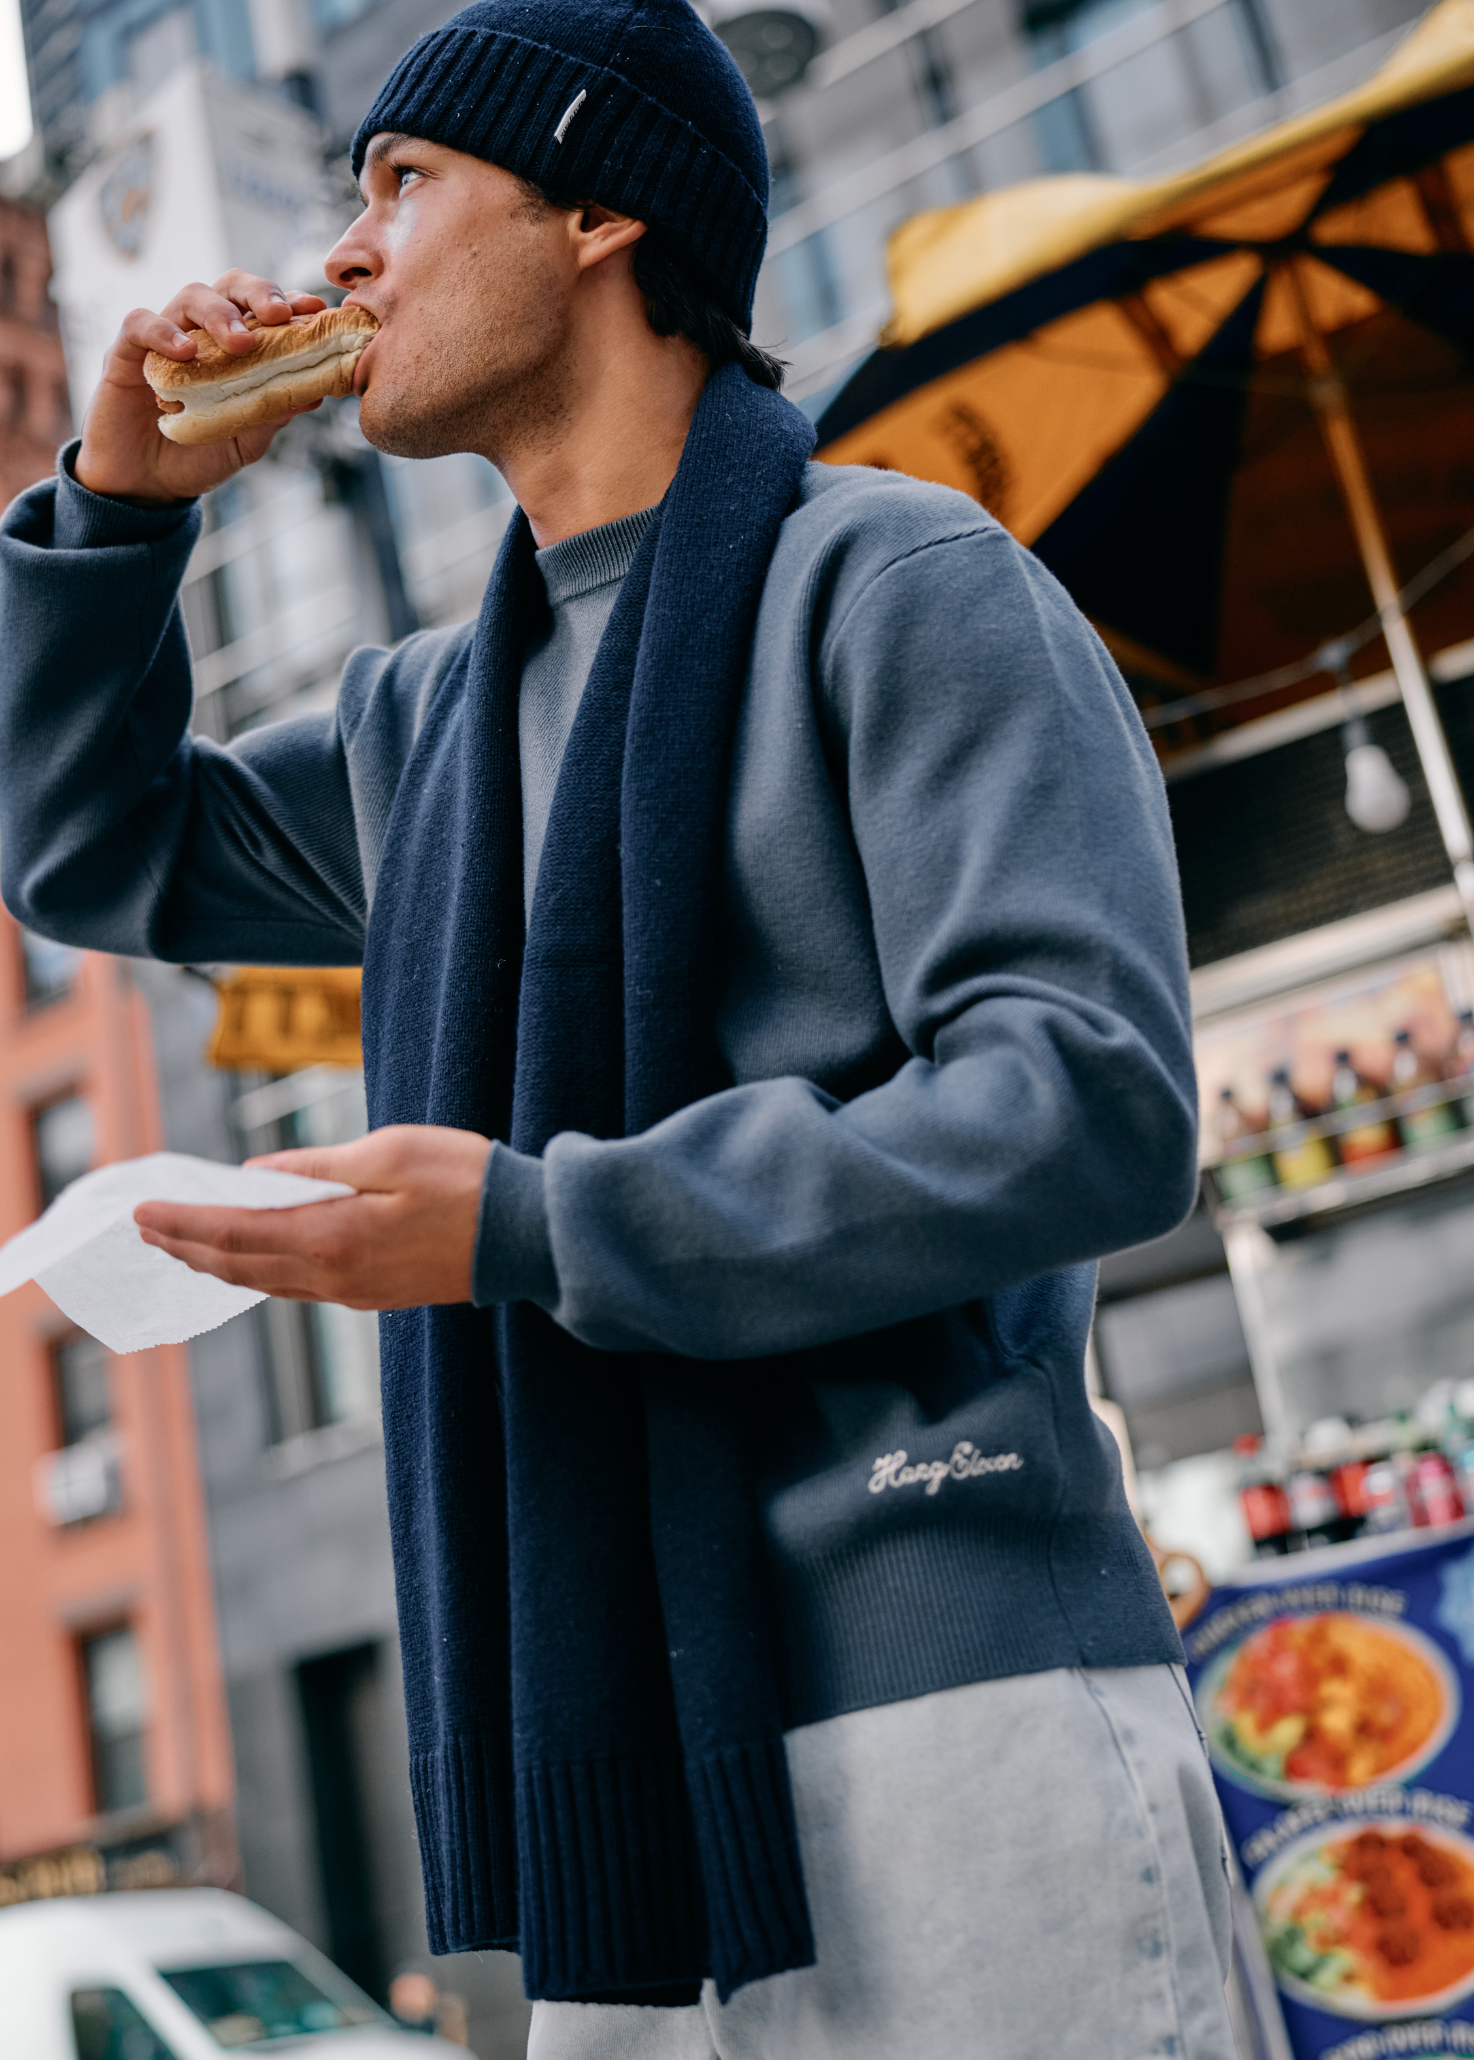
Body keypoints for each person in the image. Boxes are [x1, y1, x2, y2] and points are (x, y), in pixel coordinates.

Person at [0, 3, 1235, 2055]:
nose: (341, 258)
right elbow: (88, 851)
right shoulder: (423, 726)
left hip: (953, 1682)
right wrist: (119, 508)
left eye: (400, 185)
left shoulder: (902, 581)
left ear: (594, 208)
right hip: (610, 1777)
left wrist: (528, 1223)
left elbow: (1081, 1103)